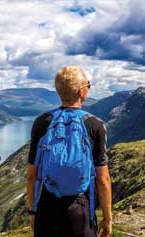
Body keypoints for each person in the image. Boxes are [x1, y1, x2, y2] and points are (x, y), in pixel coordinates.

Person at [26, 66, 112, 237]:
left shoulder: (42, 122)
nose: (88, 87)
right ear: (81, 91)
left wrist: (33, 211)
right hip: (79, 209)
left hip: (47, 207)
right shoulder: (95, 125)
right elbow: (103, 179)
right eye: (88, 84)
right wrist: (107, 218)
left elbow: (31, 176)